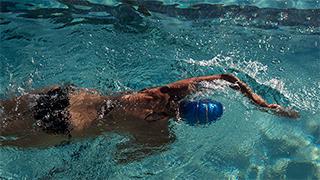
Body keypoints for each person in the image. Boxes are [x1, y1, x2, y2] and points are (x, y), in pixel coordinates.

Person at [0, 74, 298, 157]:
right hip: (71, 126)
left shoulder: (164, 92)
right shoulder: (160, 137)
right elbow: (119, 157)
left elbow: (228, 78)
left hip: (69, 96)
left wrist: (264, 104)